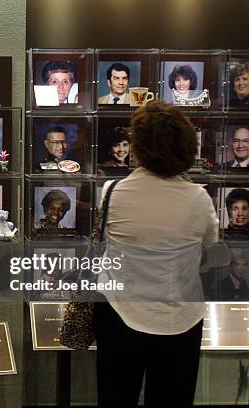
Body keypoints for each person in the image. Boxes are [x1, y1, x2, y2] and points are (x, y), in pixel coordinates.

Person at [95, 101, 218, 407]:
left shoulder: (112, 192)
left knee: (116, 398)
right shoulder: (199, 199)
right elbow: (211, 247)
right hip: (180, 318)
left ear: (139, 147)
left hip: (119, 315)